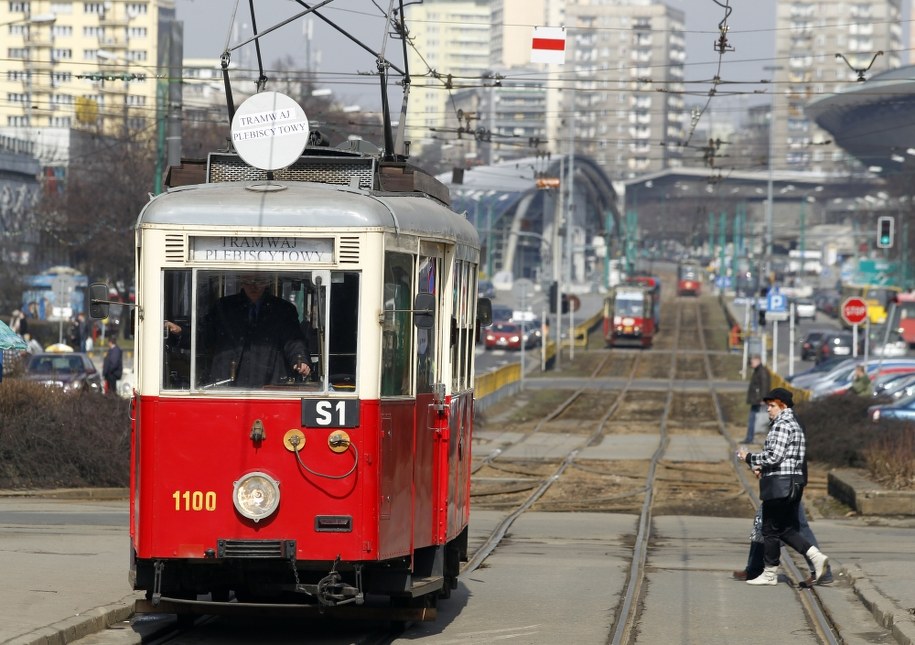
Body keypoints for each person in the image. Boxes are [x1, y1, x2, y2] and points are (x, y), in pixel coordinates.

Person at [737, 388, 829, 586]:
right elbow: (784, 457)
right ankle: (816, 557)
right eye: (768, 406)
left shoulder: (782, 425)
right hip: (790, 482)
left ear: (783, 406)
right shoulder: (792, 423)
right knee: (785, 529)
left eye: (772, 406)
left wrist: (750, 458)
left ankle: (769, 574)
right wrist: (760, 466)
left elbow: (774, 456)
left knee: (770, 529)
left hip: (780, 484)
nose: (768, 410)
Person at [199, 273, 311, 388]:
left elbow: (293, 339)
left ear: (267, 282)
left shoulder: (283, 309)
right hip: (229, 380)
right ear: (242, 281)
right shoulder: (224, 307)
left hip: (270, 379)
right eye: (249, 282)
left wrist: (300, 359)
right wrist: (181, 331)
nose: (254, 287)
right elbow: (204, 335)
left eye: (259, 281)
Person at [743, 354, 770, 444]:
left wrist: (763, 398)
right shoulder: (758, 370)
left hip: (758, 400)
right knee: (752, 419)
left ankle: (750, 438)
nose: (751, 364)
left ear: (758, 360)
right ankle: (749, 437)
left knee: (753, 419)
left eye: (752, 362)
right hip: (756, 399)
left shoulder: (761, 371)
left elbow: (764, 385)